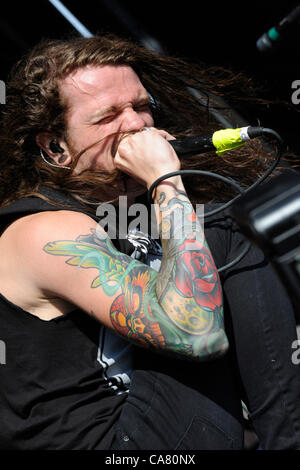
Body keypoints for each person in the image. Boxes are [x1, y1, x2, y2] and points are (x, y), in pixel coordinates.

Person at [0, 34, 299, 450]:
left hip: (155, 430)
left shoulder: (130, 211)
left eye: (142, 107)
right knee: (222, 234)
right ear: (56, 147)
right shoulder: (42, 230)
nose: (138, 125)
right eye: (109, 117)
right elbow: (195, 333)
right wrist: (165, 181)